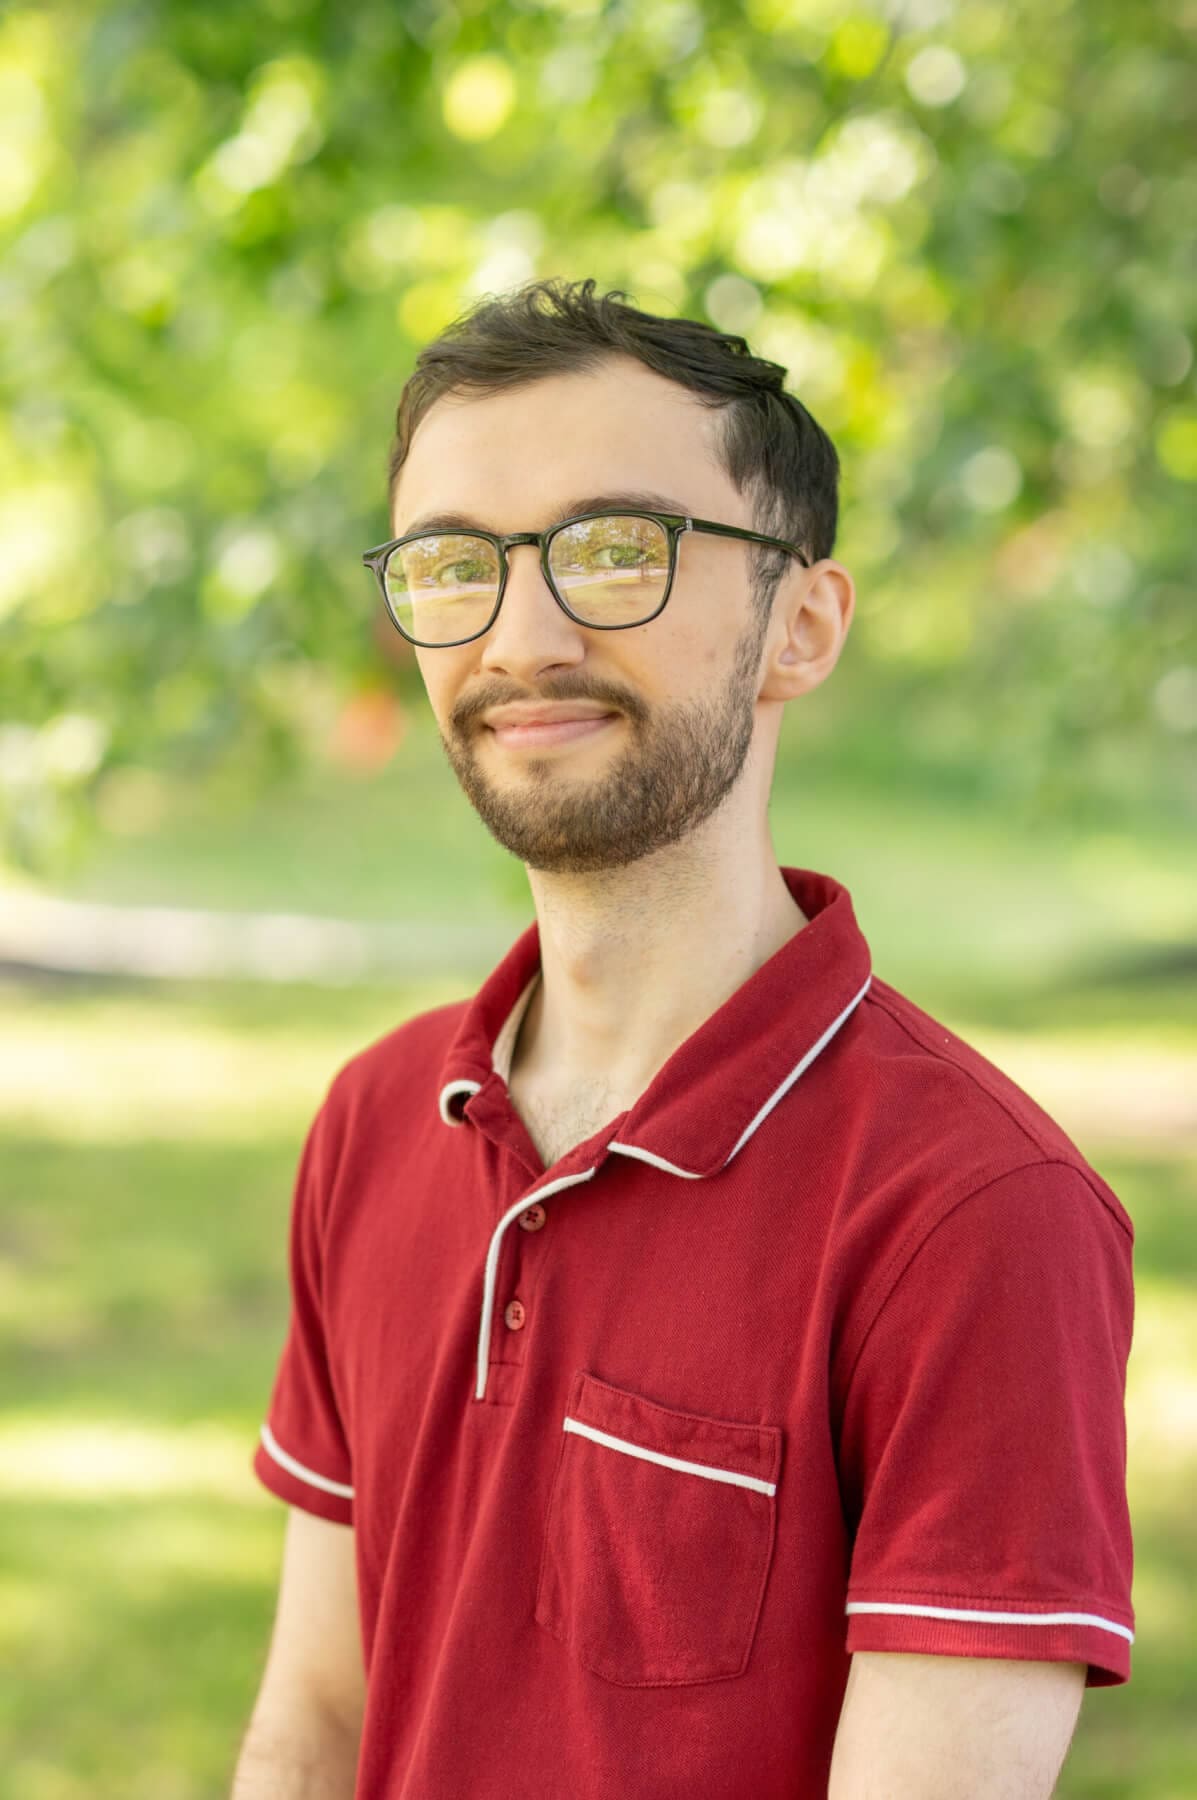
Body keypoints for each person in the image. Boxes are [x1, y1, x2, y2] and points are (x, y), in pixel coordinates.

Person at [231, 279, 1135, 1798]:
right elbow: (315, 1725)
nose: (522, 635)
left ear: (799, 625)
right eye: (456, 564)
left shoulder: (976, 1215)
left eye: (611, 551)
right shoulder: (380, 1119)